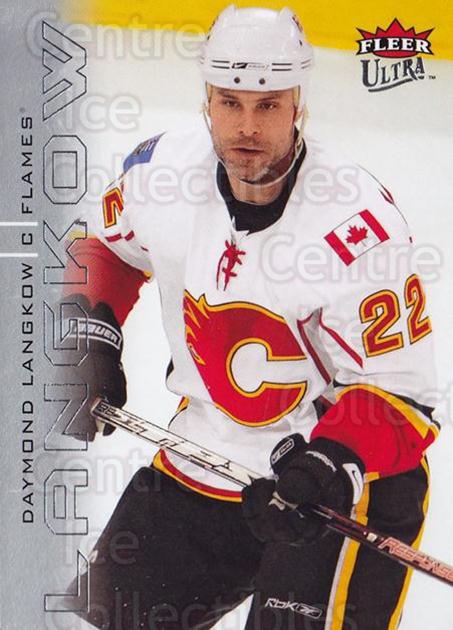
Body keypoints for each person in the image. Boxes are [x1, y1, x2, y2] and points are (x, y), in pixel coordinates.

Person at [61, 5, 440, 629]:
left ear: (298, 106)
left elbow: (404, 400)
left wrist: (327, 465)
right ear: (206, 101)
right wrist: (89, 335)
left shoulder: (357, 224)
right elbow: (103, 248)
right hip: (208, 450)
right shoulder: (161, 174)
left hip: (344, 489)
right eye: (229, 102)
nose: (247, 126)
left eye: (268, 105)